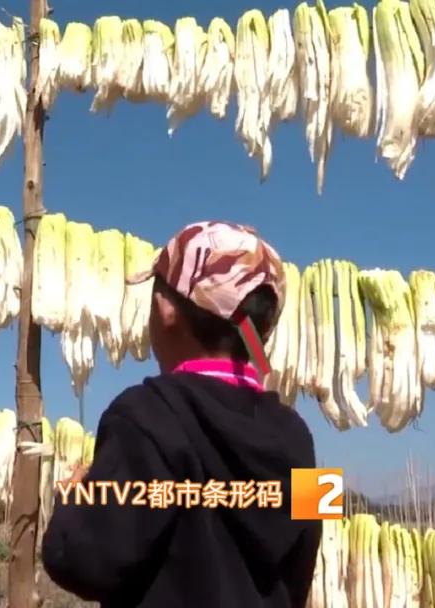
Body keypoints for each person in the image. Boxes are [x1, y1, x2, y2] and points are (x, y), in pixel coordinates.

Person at [41, 221, 322, 608]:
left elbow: (86, 563)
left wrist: (74, 498)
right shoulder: (301, 438)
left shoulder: (142, 416)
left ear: (165, 309)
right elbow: (303, 565)